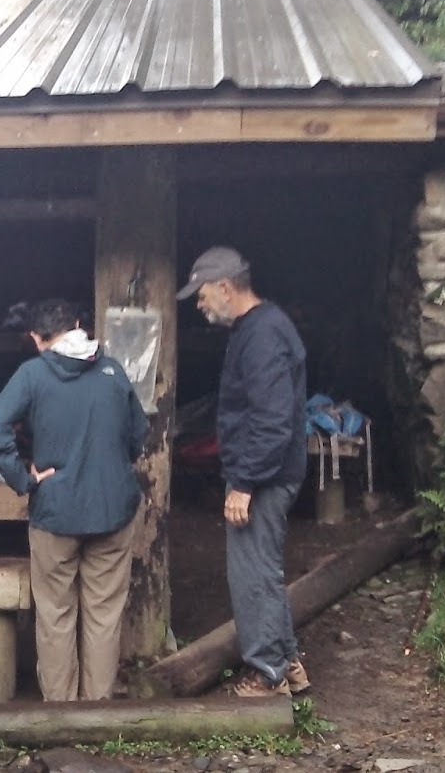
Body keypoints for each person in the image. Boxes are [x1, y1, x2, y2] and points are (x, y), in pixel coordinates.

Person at [0, 299, 149, 701]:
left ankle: (60, 711)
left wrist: (22, 478)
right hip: (113, 509)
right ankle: (98, 710)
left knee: (56, 615)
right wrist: (111, 465)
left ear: (36, 338)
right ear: (78, 325)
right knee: (104, 614)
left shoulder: (33, 374)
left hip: (55, 511)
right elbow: (138, 434)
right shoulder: (111, 370)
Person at [176, 246, 312, 698]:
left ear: (225, 287)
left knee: (252, 575)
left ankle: (267, 674)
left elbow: (272, 421)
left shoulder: (263, 335)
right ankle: (287, 663)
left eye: (201, 295)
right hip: (269, 471)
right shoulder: (258, 329)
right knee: (263, 570)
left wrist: (244, 483)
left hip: (266, 476)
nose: (199, 304)